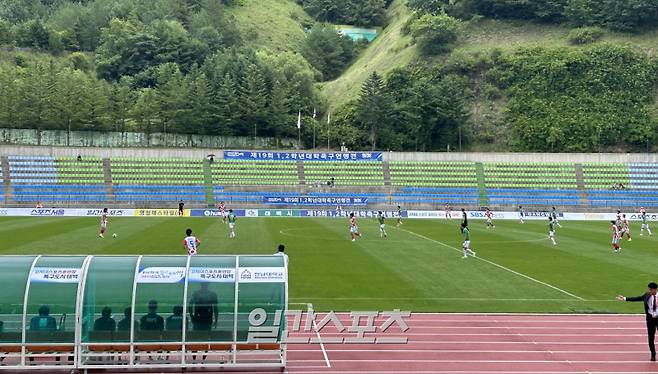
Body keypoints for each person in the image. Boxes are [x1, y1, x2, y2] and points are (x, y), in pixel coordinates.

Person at [616, 282, 658, 361]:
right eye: (648, 289)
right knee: (651, 337)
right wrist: (625, 298)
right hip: (650, 319)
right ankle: (653, 355)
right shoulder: (647, 295)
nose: (649, 291)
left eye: (650, 289)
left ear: (655, 289)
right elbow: (637, 298)